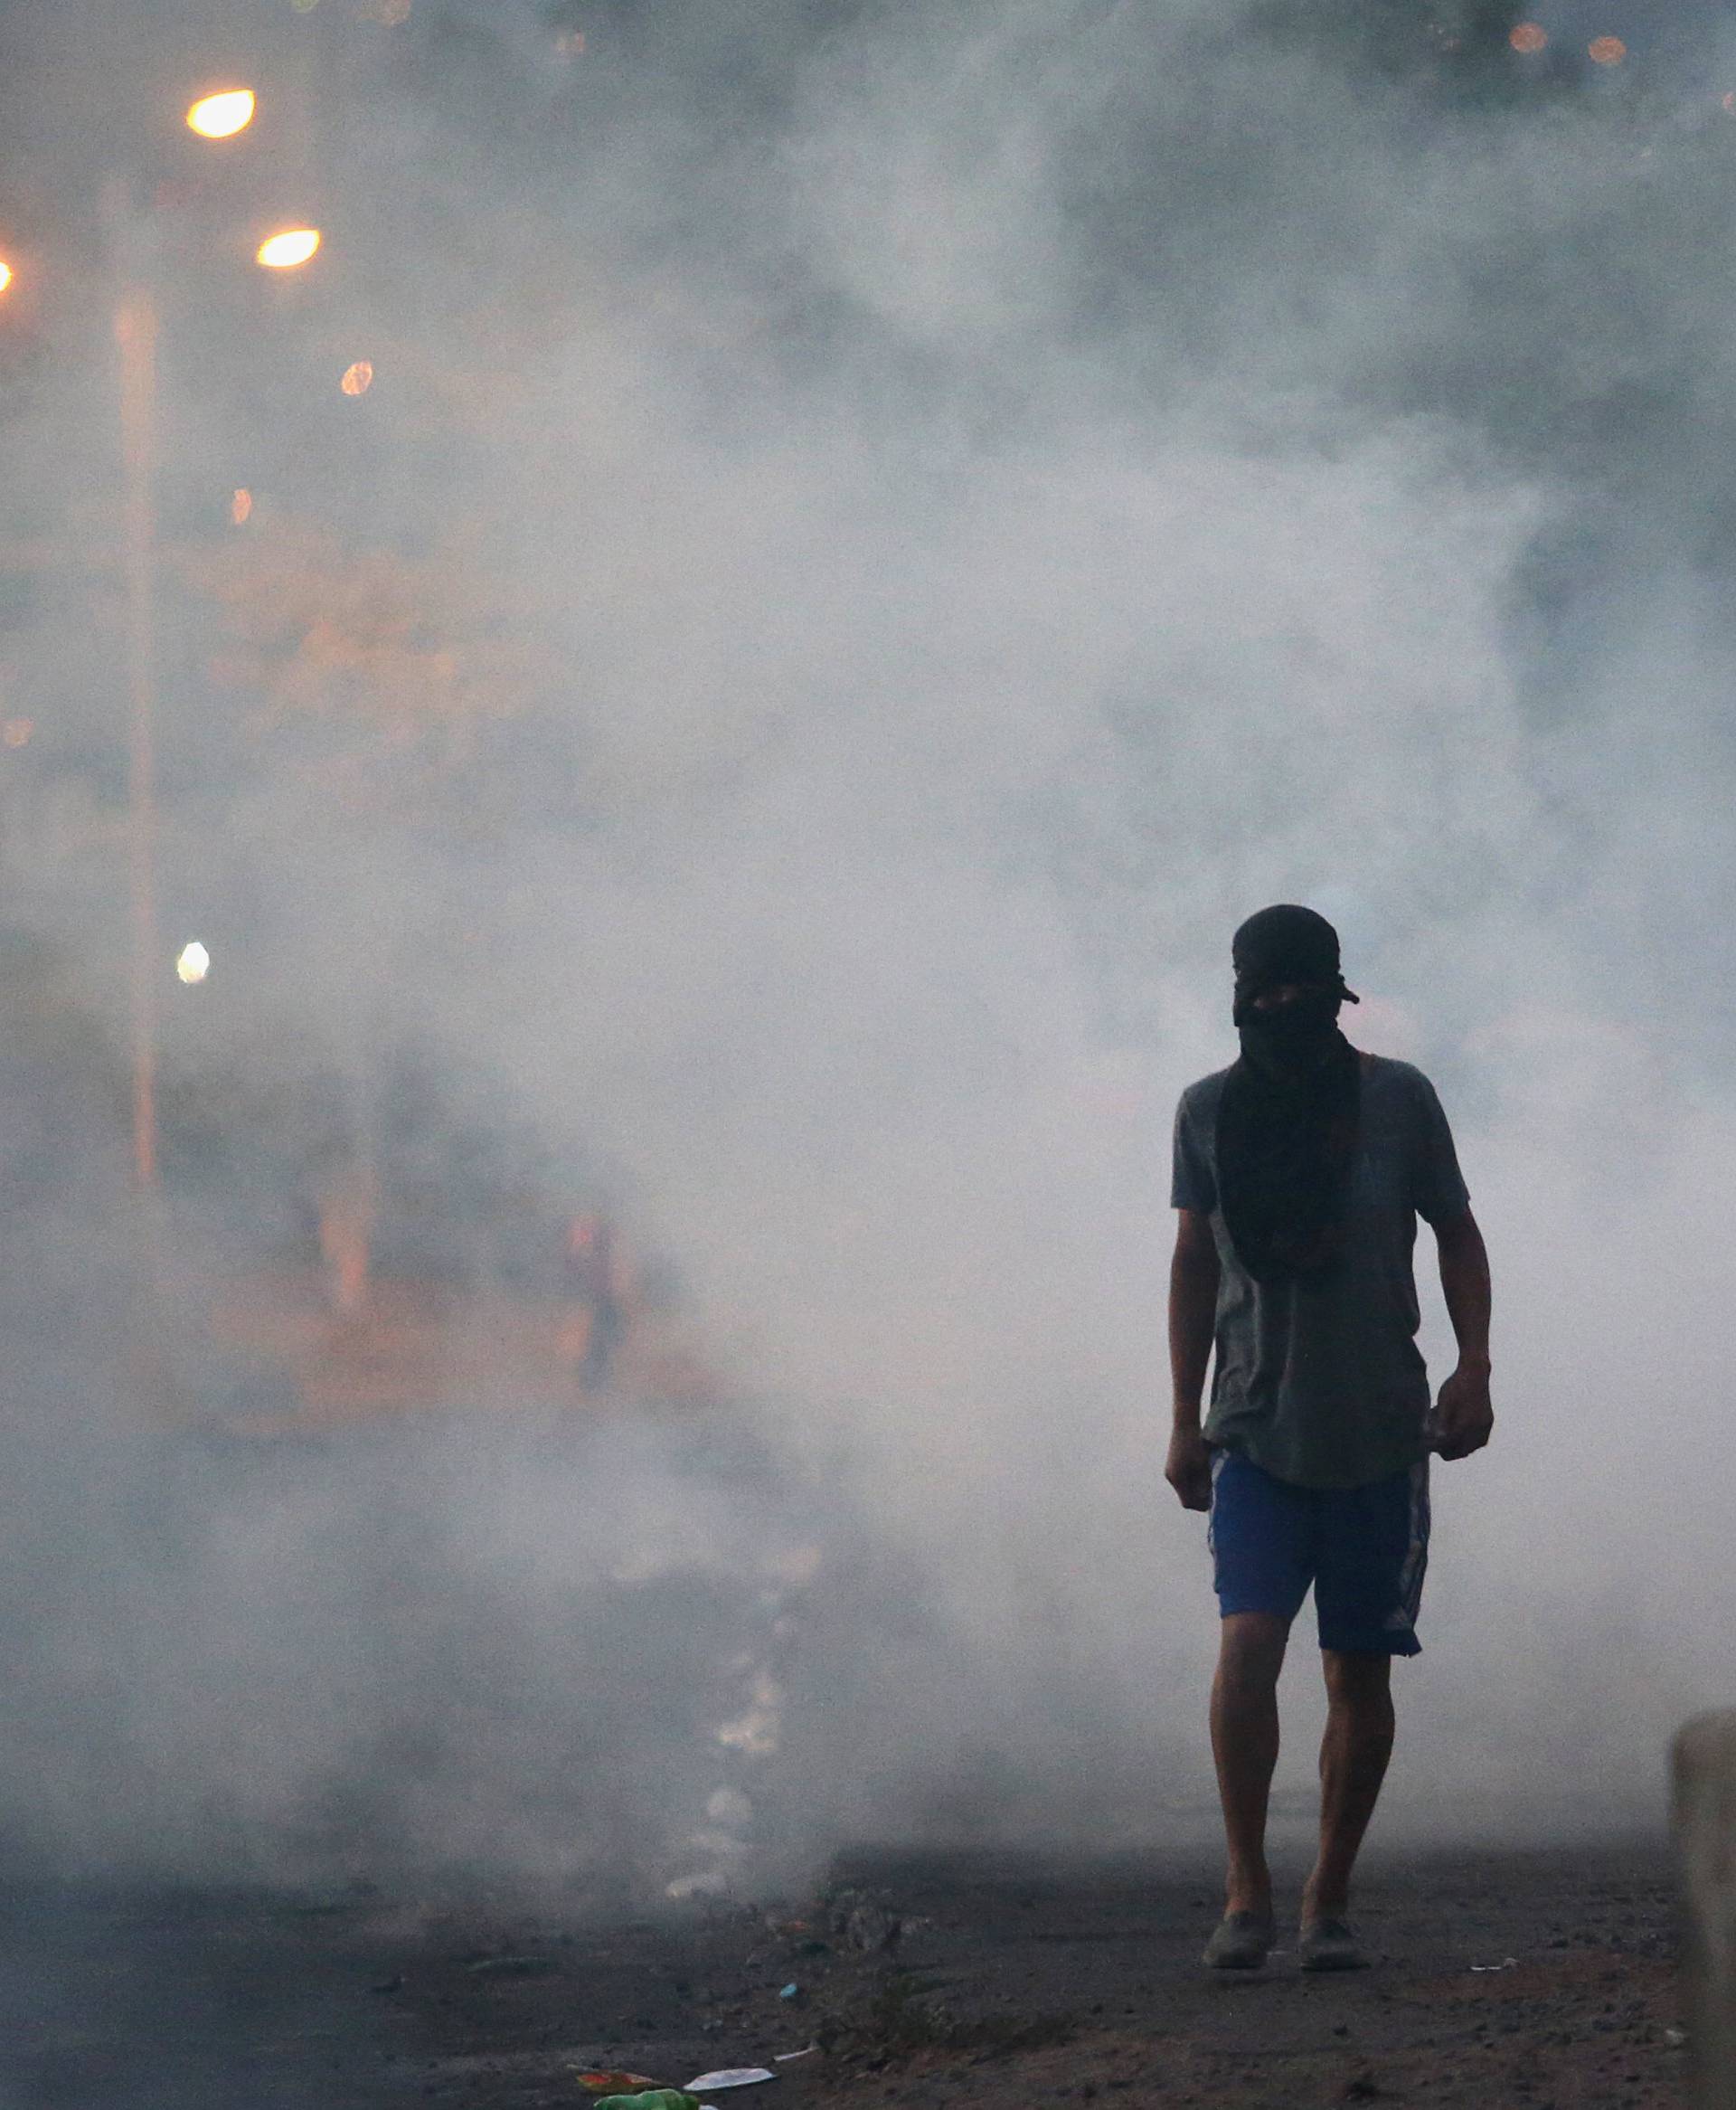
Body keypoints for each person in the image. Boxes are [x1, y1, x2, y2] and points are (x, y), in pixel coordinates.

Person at [1165, 904, 1492, 1973]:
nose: (1280, 1005)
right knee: (1248, 1646)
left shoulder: (1397, 1100)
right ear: (1238, 993)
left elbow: (1455, 1227)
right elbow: (1193, 1264)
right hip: (1256, 1424)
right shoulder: (1208, 1111)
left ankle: (1328, 1897)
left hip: (1381, 1431)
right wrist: (1181, 1418)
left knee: (1360, 1673)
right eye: (1264, 988)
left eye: (1299, 986)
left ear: (1335, 988)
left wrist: (1474, 1365)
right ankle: (1247, 1887)